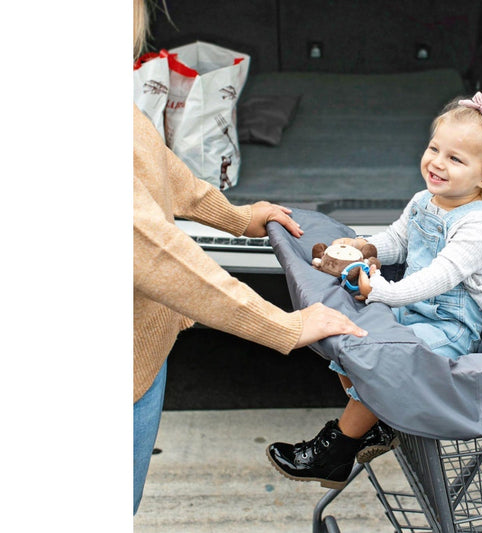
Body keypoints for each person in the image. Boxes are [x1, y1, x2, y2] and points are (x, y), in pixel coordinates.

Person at [133, 0, 367, 514]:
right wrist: (283, 326)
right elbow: (159, 255)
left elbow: (157, 166)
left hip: (142, 352)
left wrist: (237, 217)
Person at [266, 90, 482, 489]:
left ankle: (335, 452)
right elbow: (398, 240)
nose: (437, 162)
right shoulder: (424, 201)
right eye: (434, 149)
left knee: (380, 360)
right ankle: (382, 419)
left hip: (448, 328)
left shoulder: (477, 225)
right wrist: (363, 247)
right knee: (350, 345)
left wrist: (380, 291)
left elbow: (439, 277)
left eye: (455, 159)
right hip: (411, 311)